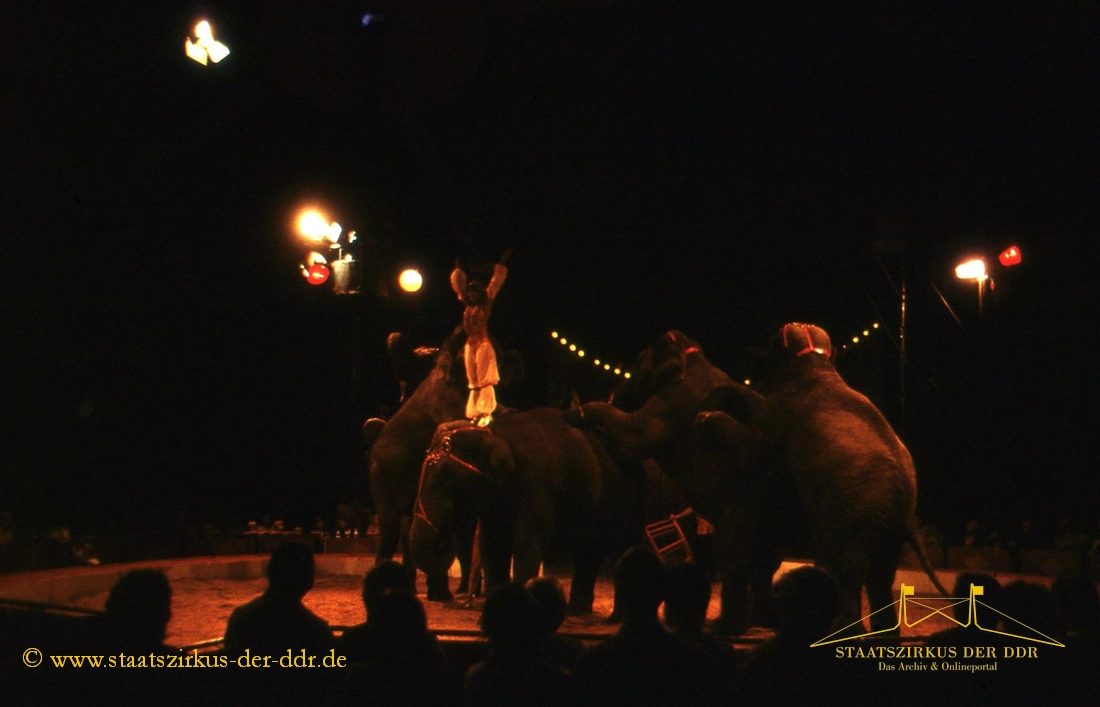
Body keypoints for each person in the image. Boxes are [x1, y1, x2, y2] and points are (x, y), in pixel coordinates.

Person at [451, 251, 510, 427]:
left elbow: (495, 284)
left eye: (473, 292)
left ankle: (485, 412)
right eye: (469, 293)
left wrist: (501, 265)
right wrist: (458, 271)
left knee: (485, 379)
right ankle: (474, 412)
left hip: (483, 344)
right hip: (470, 344)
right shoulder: (468, 305)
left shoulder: (486, 303)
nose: (470, 295)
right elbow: (459, 288)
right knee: (474, 380)